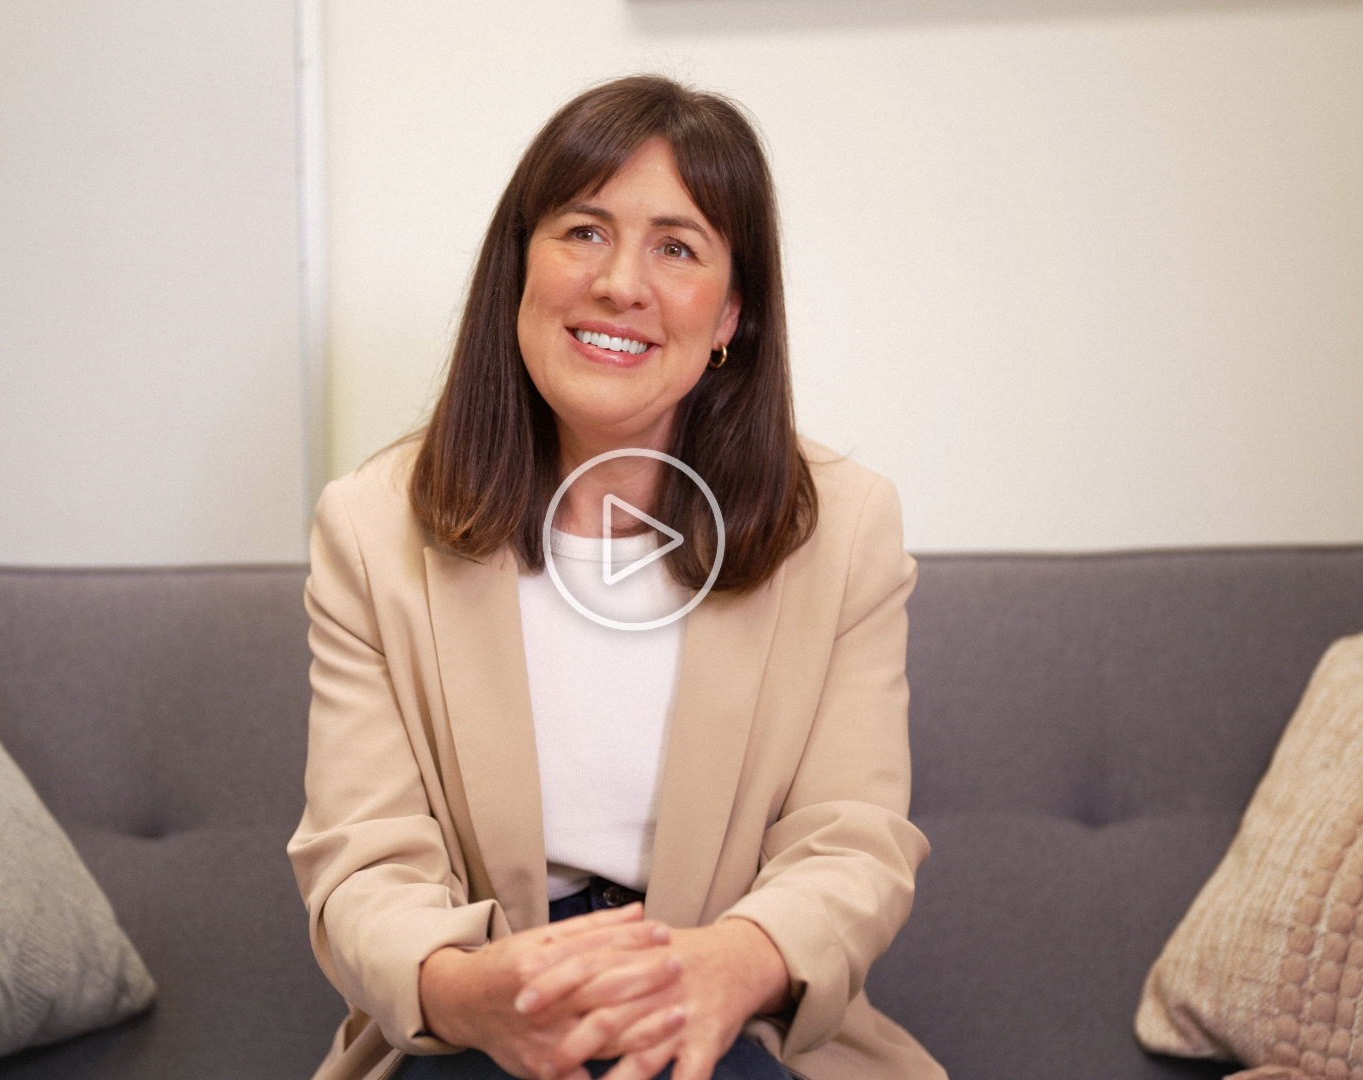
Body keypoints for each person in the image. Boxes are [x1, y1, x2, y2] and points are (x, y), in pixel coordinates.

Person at [288, 75, 943, 1080]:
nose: (618, 283)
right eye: (583, 232)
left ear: (731, 314)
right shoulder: (373, 530)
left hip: (738, 1023)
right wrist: (477, 993)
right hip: (482, 1018)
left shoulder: (845, 526)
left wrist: (730, 964)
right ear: (521, 269)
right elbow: (365, 862)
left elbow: (851, 843)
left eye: (676, 247)